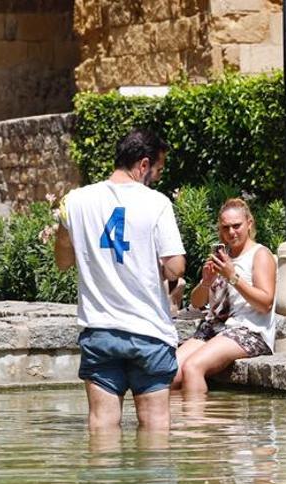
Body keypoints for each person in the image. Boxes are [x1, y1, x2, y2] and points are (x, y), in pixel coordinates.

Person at [54, 128, 186, 431]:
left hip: (100, 330)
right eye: (158, 169)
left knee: (102, 423)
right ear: (143, 165)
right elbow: (176, 267)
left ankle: (101, 479)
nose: (158, 176)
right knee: (155, 424)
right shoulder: (157, 203)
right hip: (149, 332)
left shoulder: (75, 201)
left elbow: (62, 262)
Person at [172, 198, 277, 395]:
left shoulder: (260, 254)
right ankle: (180, 422)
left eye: (236, 226)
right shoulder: (221, 256)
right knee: (169, 374)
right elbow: (196, 303)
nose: (231, 232)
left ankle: (196, 424)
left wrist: (232, 276)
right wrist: (206, 282)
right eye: (225, 227)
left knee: (193, 368)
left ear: (249, 223)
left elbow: (265, 303)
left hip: (249, 331)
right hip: (215, 328)